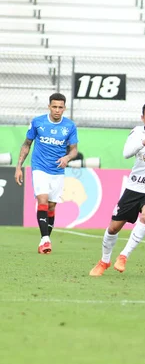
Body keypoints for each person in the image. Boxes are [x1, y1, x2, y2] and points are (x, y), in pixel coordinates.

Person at [89, 101, 145, 276]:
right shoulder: (136, 133)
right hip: (134, 188)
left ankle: (124, 256)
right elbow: (126, 153)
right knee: (113, 228)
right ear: (142, 118)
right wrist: (144, 142)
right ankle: (104, 261)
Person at [14, 92, 78, 254]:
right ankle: (46, 239)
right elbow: (26, 144)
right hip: (39, 168)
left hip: (57, 170)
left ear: (65, 108)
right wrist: (19, 166)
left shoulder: (70, 126)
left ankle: (44, 242)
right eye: (54, 106)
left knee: (51, 205)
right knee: (42, 199)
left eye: (60, 107)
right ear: (49, 106)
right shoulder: (38, 122)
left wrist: (67, 157)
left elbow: (74, 150)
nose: (57, 110)